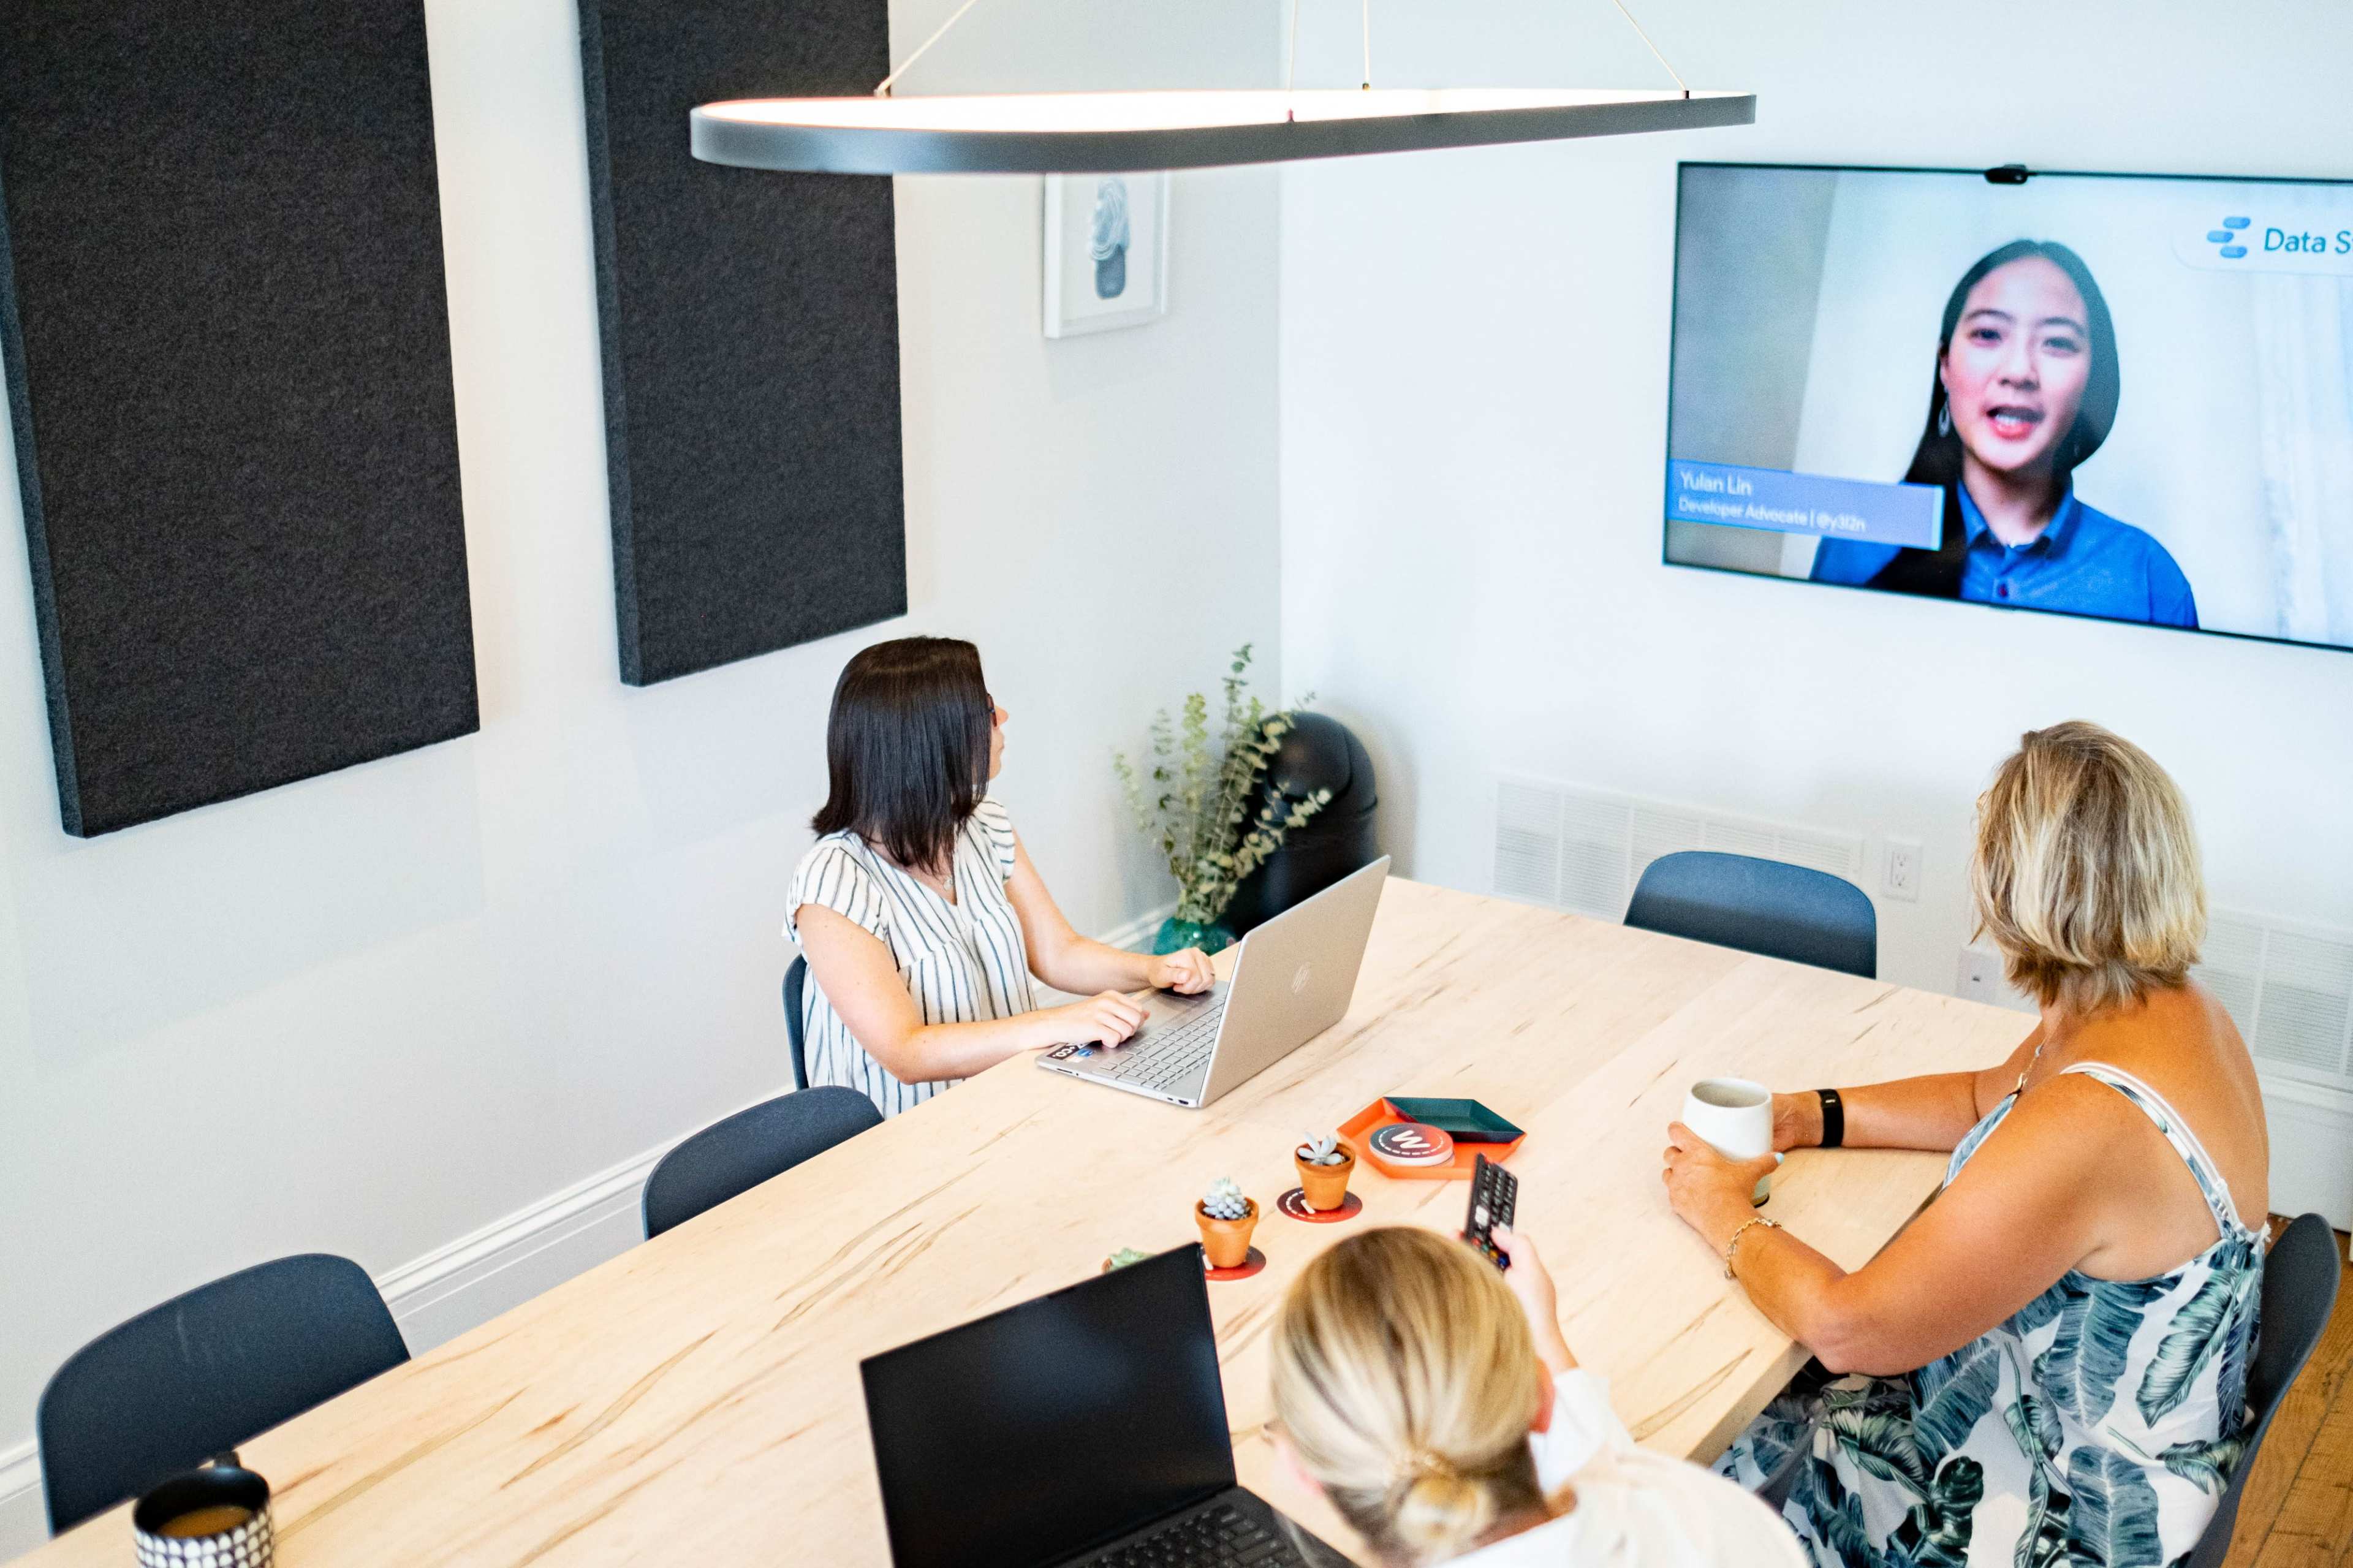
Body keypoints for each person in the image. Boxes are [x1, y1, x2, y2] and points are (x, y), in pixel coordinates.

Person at [1662, 722, 2267, 1565]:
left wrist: (1723, 1210)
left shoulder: (2093, 1118)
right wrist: (1810, 1112)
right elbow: (1991, 1094)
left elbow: (1851, 1327)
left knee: (1686, 1458)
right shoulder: (2170, 1009)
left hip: (2058, 1510)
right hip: (2112, 1445)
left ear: (2020, 882)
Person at [786, 637, 1213, 1116]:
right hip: (901, 1143)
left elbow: (1058, 952)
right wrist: (1055, 1024)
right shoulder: (831, 882)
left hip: (1008, 1104)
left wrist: (1153, 970)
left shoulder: (983, 822)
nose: (1003, 717)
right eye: (986, 708)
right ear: (934, 739)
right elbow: (906, 1051)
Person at [1267, 1225, 1806, 1567]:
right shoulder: (1707, 1512)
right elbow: (1622, 1472)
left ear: (1300, 1469)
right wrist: (1544, 1336)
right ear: (1545, 1397)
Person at [1811, 240, 2197, 629]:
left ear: (2091, 381)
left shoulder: (2147, 577)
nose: (2018, 371)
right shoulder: (1856, 544)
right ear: (1945, 364)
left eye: (2057, 342)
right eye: (1989, 334)